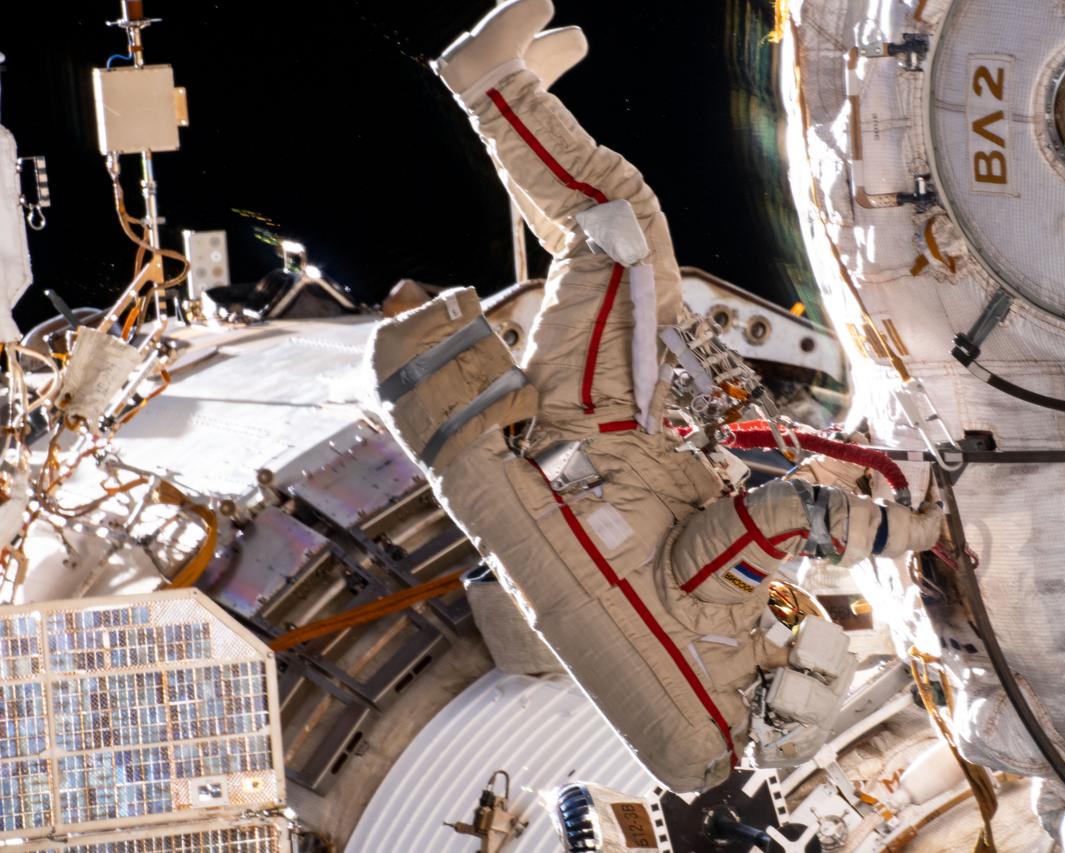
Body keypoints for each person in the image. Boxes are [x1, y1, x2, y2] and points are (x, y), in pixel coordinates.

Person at [370, 0, 942, 791]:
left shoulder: (718, 629)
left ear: (783, 687)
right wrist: (837, 479)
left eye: (801, 655)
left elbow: (775, 518)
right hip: (595, 455)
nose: (795, 630)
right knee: (614, 255)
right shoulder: (709, 665)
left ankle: (490, 84)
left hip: (589, 437)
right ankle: (521, 108)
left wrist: (906, 531)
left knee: (617, 218)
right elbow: (731, 531)